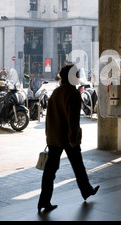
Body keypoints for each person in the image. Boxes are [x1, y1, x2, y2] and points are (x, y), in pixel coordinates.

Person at [38, 63, 99, 212]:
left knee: (50, 172)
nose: (79, 76)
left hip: (54, 137)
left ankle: (43, 201)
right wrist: (73, 139)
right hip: (68, 137)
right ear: (72, 76)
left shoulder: (56, 92)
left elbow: (49, 118)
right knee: (78, 166)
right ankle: (86, 191)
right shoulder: (73, 93)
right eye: (77, 74)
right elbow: (73, 120)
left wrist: (49, 137)